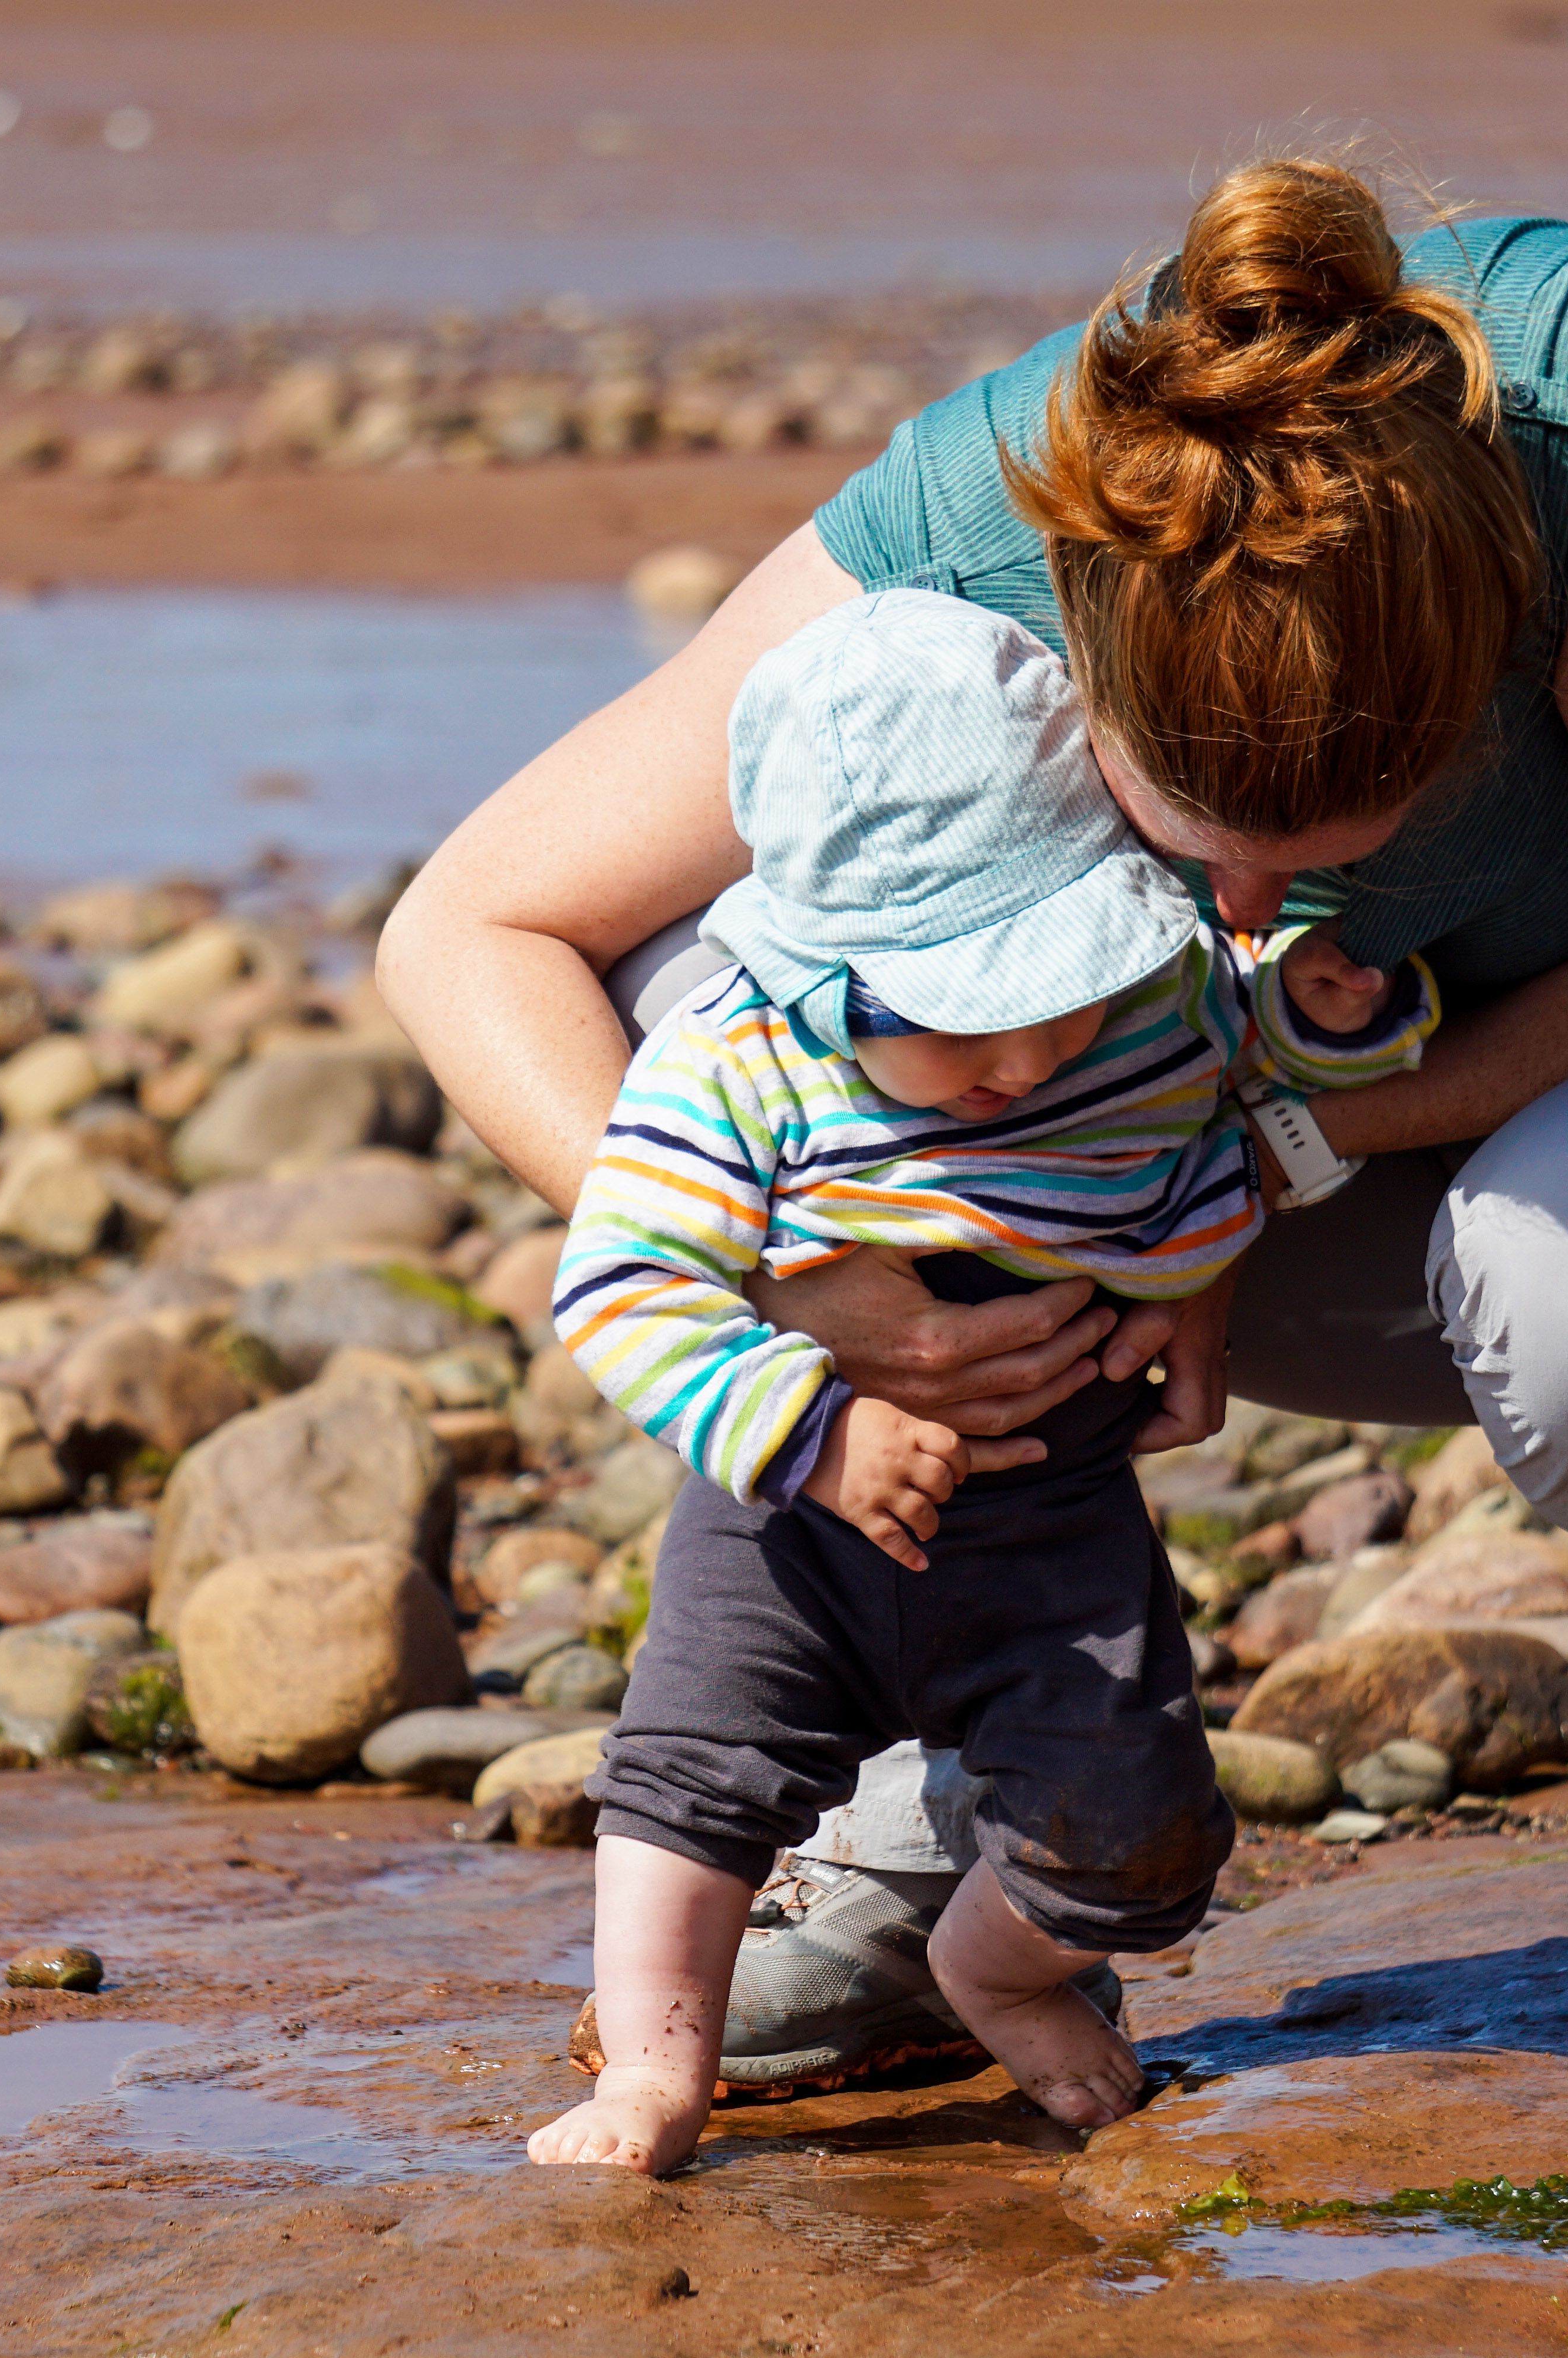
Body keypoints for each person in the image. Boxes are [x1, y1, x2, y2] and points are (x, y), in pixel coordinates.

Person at [378, 156, 1568, 2081]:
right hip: (1307, 1182)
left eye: (1318, 856)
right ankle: (946, 1815)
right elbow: (477, 926)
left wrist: (1294, 1130)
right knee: (763, 999)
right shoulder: (975, 538)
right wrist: (800, 1283)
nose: (1232, 918)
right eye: (1179, 846)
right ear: (1073, 654)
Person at [528, 588, 1432, 2173]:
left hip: (1055, 1506)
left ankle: (993, 1969)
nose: (1024, 1060)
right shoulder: (741, 1057)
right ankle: (656, 2070)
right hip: (789, 1529)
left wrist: (1330, 1021)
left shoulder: (1140, 1008)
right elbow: (620, 1281)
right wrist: (810, 1427)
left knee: (1147, 1828)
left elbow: (1259, 1068)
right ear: (829, 969)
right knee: (685, 1787)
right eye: (961, 1023)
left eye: (1053, 994)